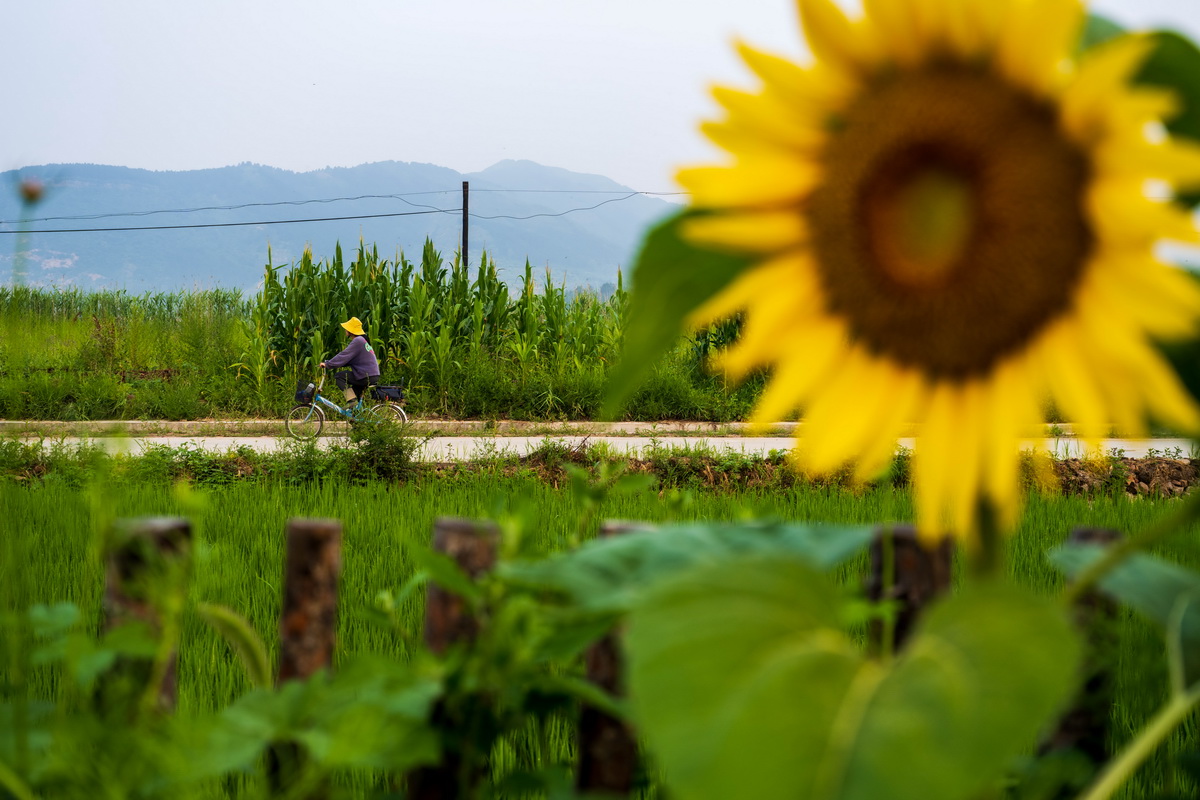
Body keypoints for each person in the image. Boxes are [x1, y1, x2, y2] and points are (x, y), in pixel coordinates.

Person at [319, 316, 380, 409]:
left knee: (339, 376)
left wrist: (327, 364)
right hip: (371, 375)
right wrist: (329, 363)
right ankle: (356, 419)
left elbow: (343, 355)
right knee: (355, 401)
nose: (345, 331)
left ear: (351, 331)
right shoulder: (362, 341)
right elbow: (347, 360)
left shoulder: (358, 341)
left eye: (346, 329)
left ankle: (351, 401)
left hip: (366, 376)